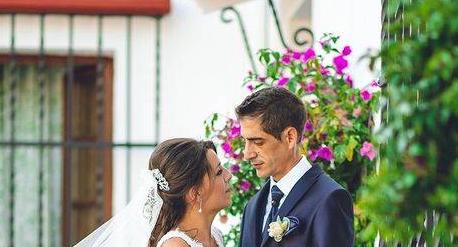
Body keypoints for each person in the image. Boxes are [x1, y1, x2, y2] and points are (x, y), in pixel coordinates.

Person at [235, 87, 354, 246]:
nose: (247, 154)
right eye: (245, 141)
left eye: (258, 142)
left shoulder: (329, 199)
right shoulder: (252, 206)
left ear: (290, 137)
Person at [74, 138, 232, 247]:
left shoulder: (215, 236)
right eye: (218, 172)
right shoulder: (175, 245)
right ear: (195, 193)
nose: (228, 175)